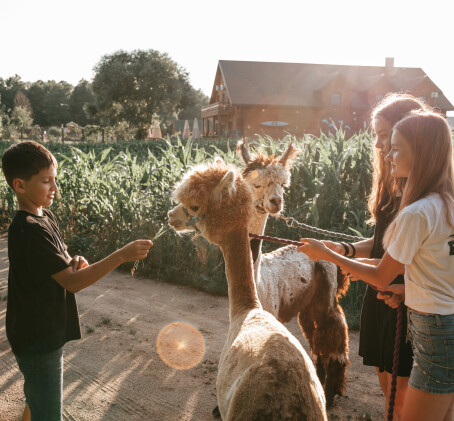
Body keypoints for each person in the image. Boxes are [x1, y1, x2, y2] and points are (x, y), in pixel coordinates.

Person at [299, 110, 454, 421]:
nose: (388, 155)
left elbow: (382, 274)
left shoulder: (416, 213)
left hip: (434, 337)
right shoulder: (446, 203)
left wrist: (328, 255)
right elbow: (439, 274)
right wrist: (406, 290)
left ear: (419, 153)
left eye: (396, 148)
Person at [1, 141, 153, 421]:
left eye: (54, 179)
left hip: (41, 331)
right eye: (46, 181)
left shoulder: (44, 216)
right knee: (48, 412)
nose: (55, 188)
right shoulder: (28, 229)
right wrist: (121, 255)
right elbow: (73, 284)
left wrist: (73, 259)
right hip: (36, 338)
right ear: (20, 186)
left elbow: (63, 262)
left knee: (37, 400)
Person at [321, 93, 426, 419]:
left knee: (406, 397)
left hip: (407, 296)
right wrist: (348, 249)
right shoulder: (390, 182)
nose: (379, 145)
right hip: (380, 294)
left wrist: (332, 256)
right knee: (388, 391)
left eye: (386, 136)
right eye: (377, 136)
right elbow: (382, 241)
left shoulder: (424, 193)